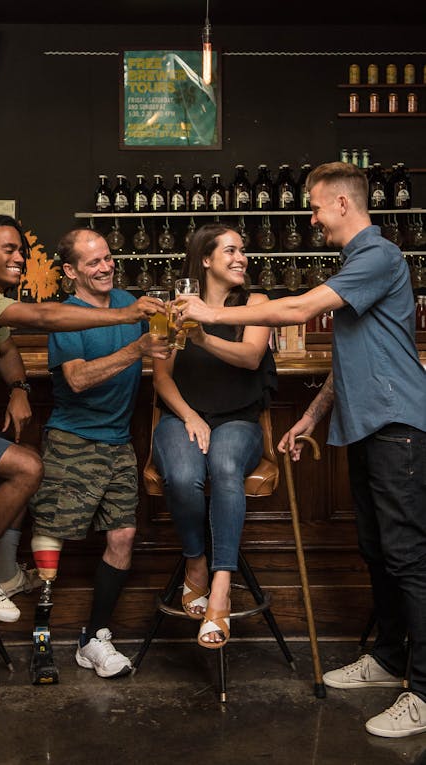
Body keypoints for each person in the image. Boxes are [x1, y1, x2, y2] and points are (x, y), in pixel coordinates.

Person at [179, 162, 426, 738]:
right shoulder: (358, 265)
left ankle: (423, 690)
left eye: (315, 208)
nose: (311, 219)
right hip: (369, 427)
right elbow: (358, 358)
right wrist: (313, 415)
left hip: (399, 428)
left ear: (342, 204)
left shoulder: (378, 255)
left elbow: (297, 310)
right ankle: (390, 659)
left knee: (409, 557)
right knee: (377, 549)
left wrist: (212, 314)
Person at [0, 215, 163, 625]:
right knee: (28, 468)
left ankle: (4, 572)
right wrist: (127, 320)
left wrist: (19, 388)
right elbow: (45, 320)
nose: (20, 257)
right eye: (10, 249)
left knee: (23, 458)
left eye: (22, 250)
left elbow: (5, 349)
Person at [28, 228, 170, 678]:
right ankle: (41, 641)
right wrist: (138, 347)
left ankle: (93, 638)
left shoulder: (131, 302)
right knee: (53, 539)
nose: (106, 266)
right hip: (73, 441)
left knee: (123, 537)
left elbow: (171, 343)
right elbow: (77, 380)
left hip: (119, 443)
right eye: (93, 262)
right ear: (70, 271)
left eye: (108, 257)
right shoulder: (67, 317)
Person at [151, 223, 277, 649]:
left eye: (242, 251)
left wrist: (202, 336)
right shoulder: (173, 309)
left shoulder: (257, 302)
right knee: (184, 476)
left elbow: (250, 356)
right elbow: (162, 377)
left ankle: (220, 588)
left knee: (224, 467)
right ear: (205, 260)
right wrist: (189, 415)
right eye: (230, 251)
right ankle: (196, 563)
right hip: (184, 418)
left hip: (240, 420)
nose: (242, 258)